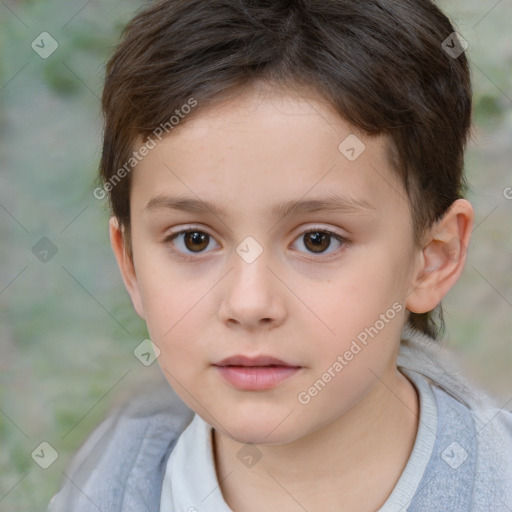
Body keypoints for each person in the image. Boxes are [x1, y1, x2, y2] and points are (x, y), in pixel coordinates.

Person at [48, 0, 512, 510]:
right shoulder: (105, 485)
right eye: (194, 239)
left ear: (432, 258)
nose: (249, 304)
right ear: (131, 263)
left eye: (318, 240)